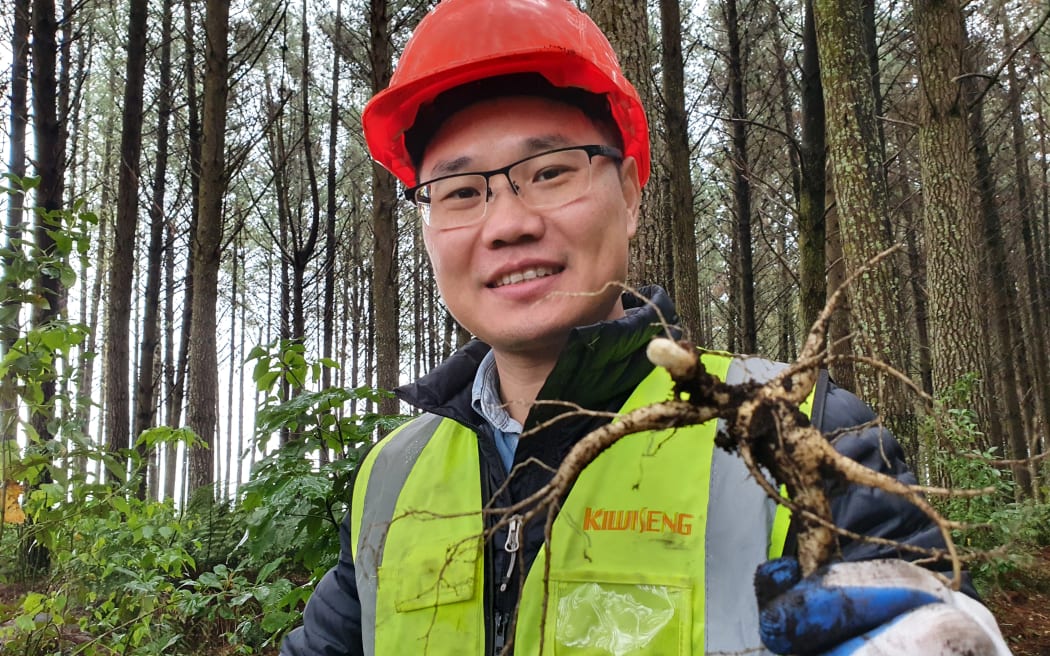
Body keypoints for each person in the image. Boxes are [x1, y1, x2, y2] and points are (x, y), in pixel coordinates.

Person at [281, 1, 1012, 654]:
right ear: (429, 228)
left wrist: (948, 636)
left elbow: (927, 612)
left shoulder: (794, 424)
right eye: (462, 190)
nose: (507, 223)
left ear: (629, 194)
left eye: (550, 171)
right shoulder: (392, 476)